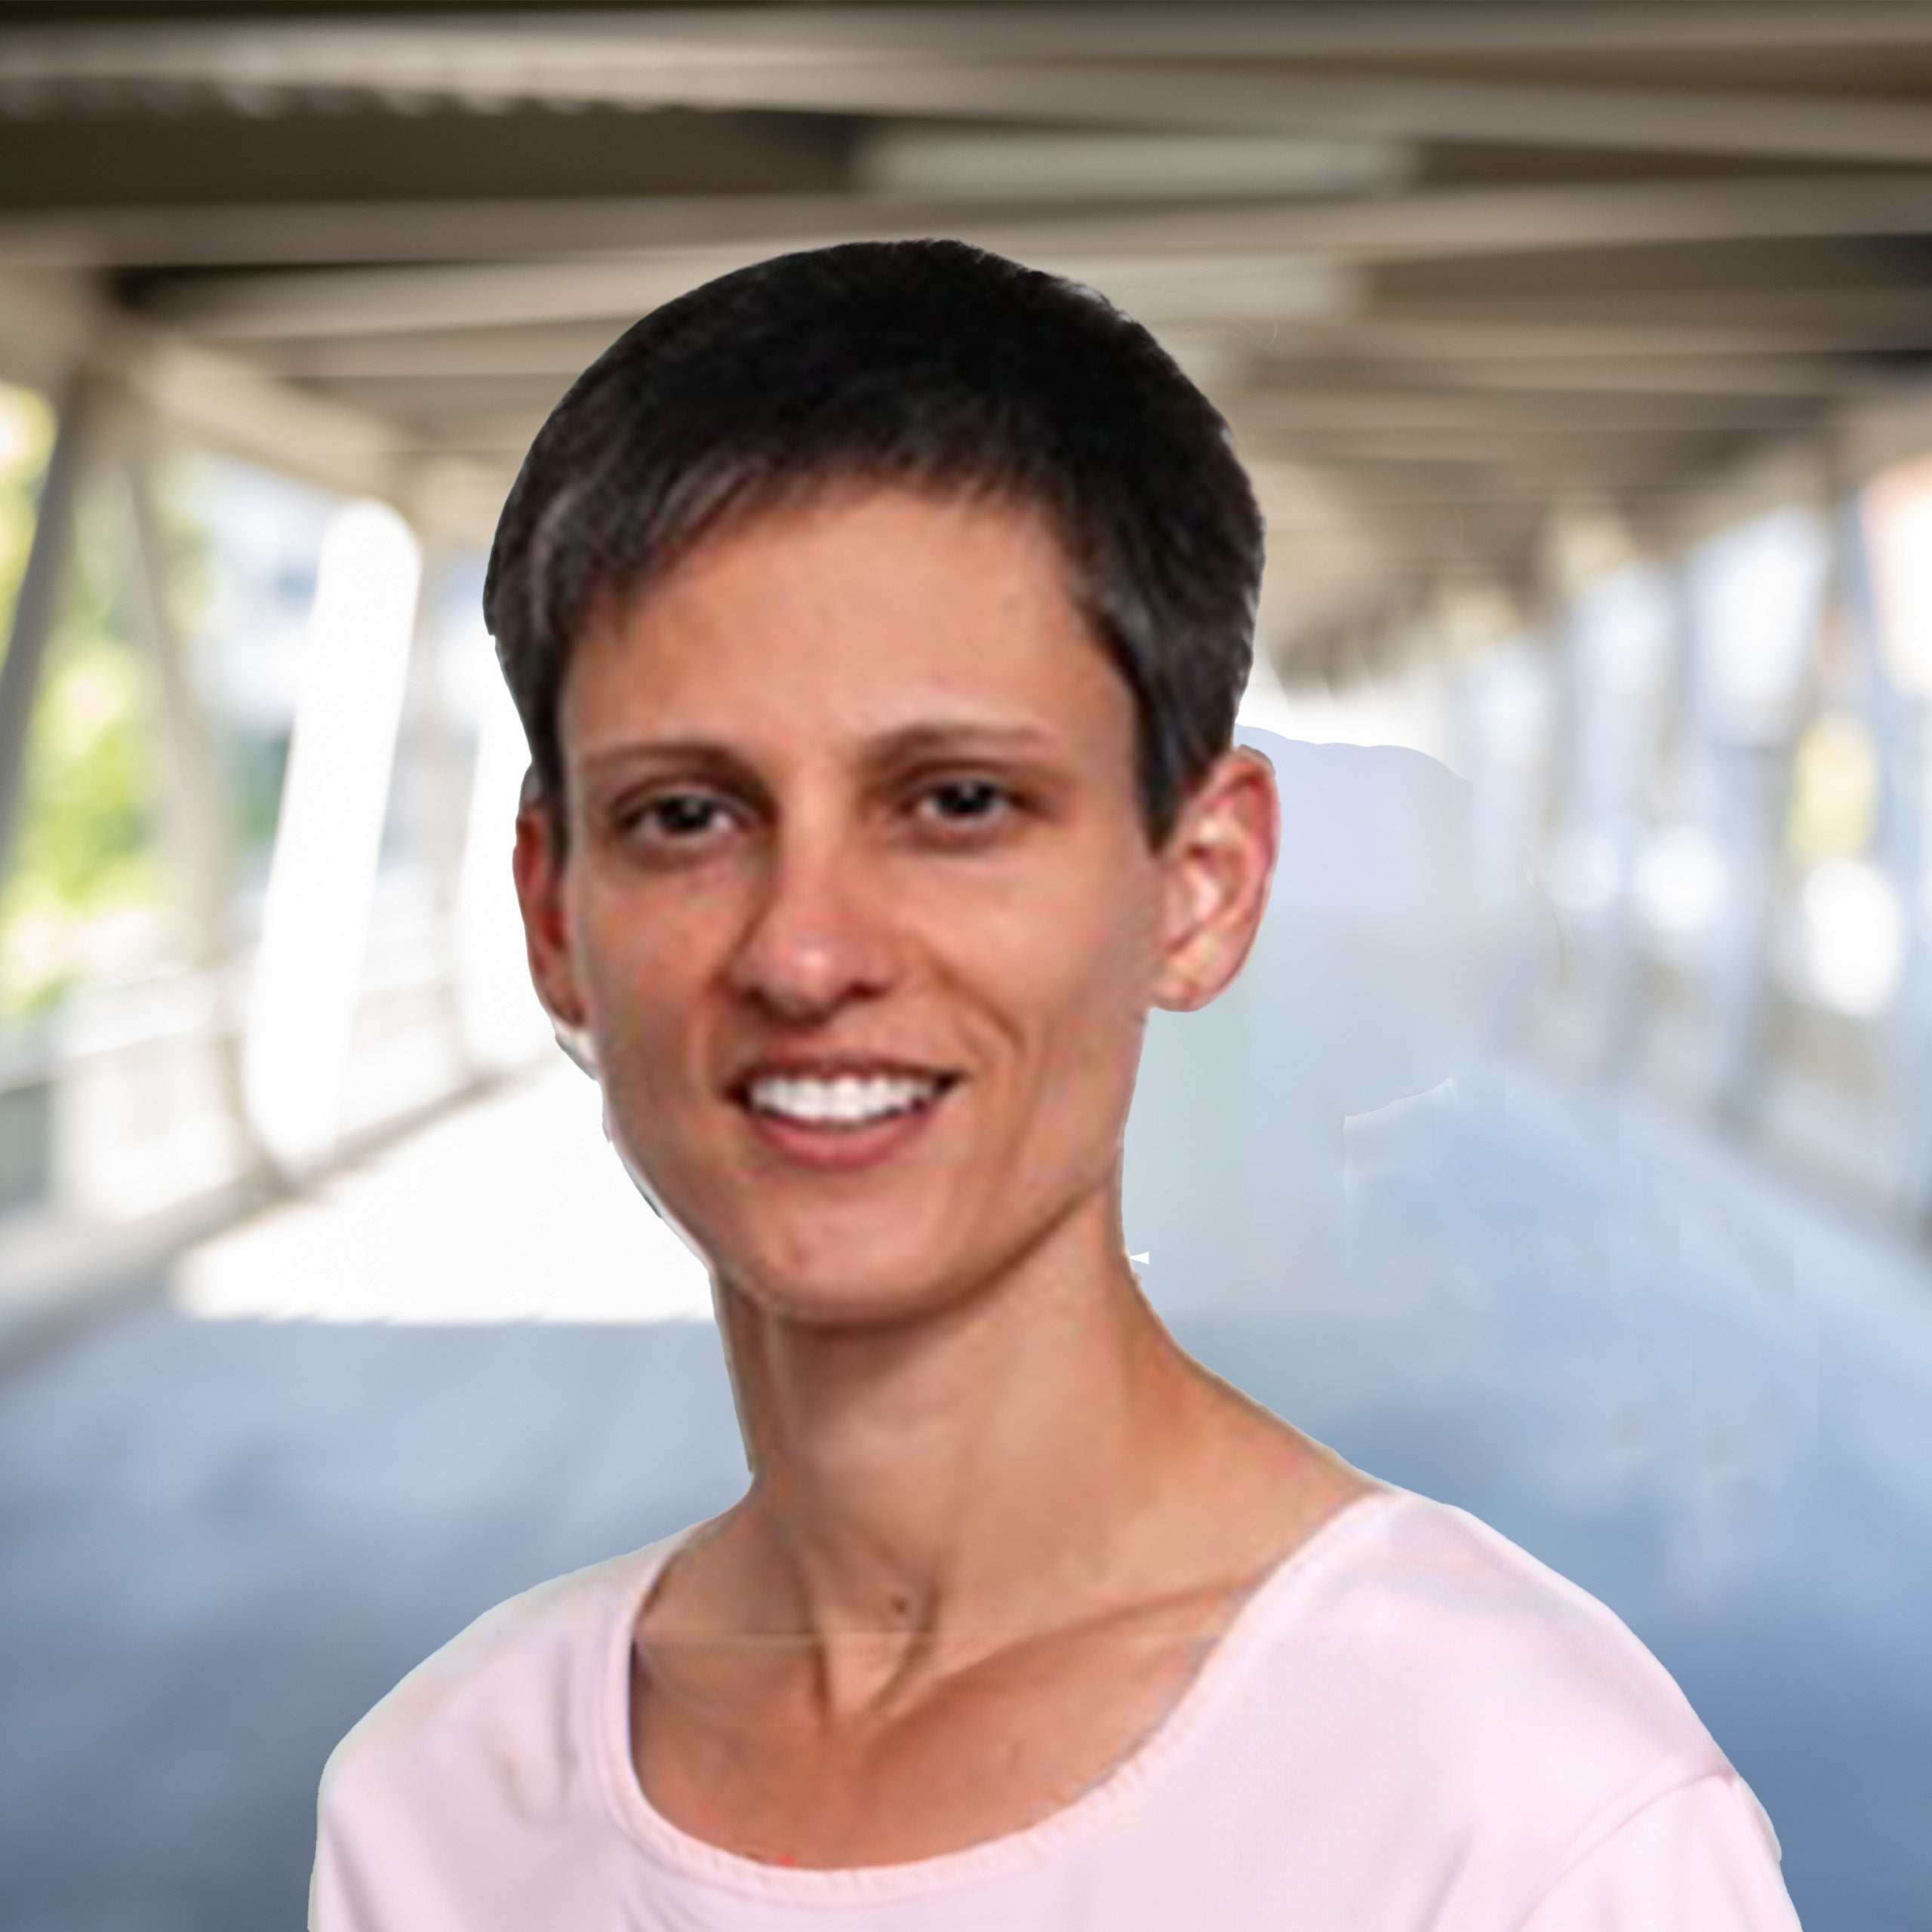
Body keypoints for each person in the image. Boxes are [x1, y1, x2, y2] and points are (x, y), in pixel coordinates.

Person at [310, 239, 1801, 1930]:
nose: (805, 954)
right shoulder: (438, 1803)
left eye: (954, 802)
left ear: (1201, 881)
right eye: (686, 814)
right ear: (551, 908)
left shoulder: (1524, 1809)